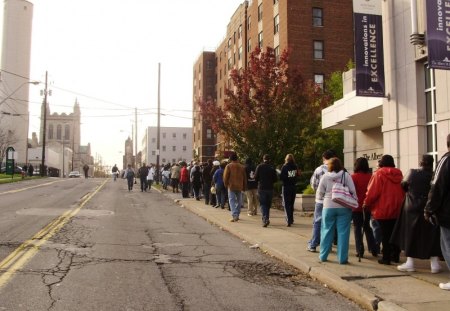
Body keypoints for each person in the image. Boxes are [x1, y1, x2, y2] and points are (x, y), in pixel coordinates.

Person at [392, 155, 442, 273]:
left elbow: (403, 185)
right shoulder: (435, 175)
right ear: (431, 163)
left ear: (421, 162)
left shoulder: (412, 173)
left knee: (410, 235)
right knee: (432, 236)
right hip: (430, 209)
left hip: (411, 208)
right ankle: (434, 264)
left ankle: (410, 263)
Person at [363, 154, 404, 265]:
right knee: (394, 233)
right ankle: (395, 255)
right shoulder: (399, 173)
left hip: (383, 208)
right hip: (397, 207)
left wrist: (366, 203)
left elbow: (372, 192)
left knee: (385, 234)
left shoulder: (379, 174)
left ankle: (386, 257)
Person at [316, 157, 355, 264]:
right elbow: (352, 191)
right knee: (343, 233)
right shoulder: (346, 176)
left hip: (328, 206)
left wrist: (322, 200)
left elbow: (319, 193)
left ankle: (323, 256)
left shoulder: (325, 177)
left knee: (326, 231)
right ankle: (342, 259)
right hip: (344, 207)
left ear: (330, 166)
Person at [425, 134, 450, 290]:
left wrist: (429, 209)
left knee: (447, 245)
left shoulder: (446, 161)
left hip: (448, 214)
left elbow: (436, 187)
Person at [307, 149, 337, 252]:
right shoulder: (339, 170)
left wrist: (318, 193)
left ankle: (314, 244)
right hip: (334, 201)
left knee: (317, 222)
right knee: (329, 224)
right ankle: (327, 245)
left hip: (321, 200)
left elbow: (313, 184)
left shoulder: (319, 170)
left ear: (324, 158)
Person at [351, 157, 378, 258]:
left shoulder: (353, 177)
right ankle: (373, 248)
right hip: (367, 206)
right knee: (367, 227)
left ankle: (359, 249)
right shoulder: (371, 176)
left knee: (357, 228)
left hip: (356, 206)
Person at [254, 154, 278, 227]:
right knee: (267, 205)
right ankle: (266, 218)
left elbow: (255, 177)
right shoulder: (272, 168)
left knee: (263, 204)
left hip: (262, 188)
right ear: (269, 159)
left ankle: (265, 219)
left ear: (263, 159)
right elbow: (275, 179)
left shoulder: (259, 167)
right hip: (270, 188)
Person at [223, 153, 247, 222]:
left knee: (232, 200)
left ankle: (234, 215)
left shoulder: (229, 166)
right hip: (239, 186)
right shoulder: (242, 167)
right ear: (237, 158)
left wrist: (225, 184)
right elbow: (245, 178)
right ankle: (237, 214)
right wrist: (244, 186)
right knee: (239, 201)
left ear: (230, 159)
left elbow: (225, 177)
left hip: (231, 186)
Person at [279, 154, 299, 227]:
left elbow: (281, 177)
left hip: (286, 187)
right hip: (293, 187)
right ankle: (291, 218)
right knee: (291, 203)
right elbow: (297, 176)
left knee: (286, 204)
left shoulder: (284, 167)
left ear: (286, 159)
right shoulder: (295, 166)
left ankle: (288, 220)